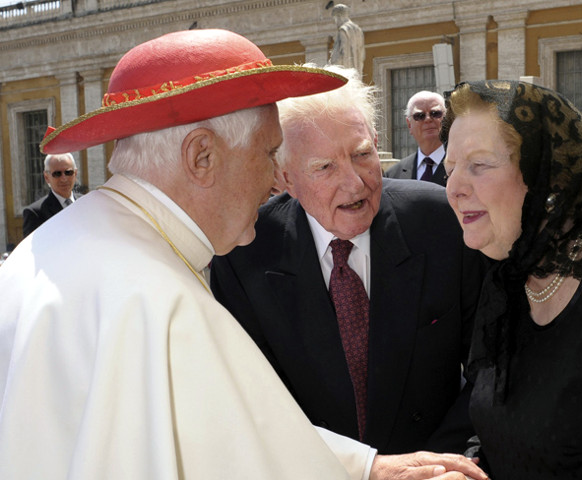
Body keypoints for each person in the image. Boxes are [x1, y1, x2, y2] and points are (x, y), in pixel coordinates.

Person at [0, 29, 486, 480]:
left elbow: (231, 427)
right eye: (267, 154)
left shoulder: (69, 244)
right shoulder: (153, 296)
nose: (275, 182)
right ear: (201, 157)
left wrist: (370, 468)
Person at [210, 65, 487, 459]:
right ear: (285, 177)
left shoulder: (441, 222)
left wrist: (443, 461)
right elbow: (250, 403)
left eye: (361, 155)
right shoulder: (244, 255)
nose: (355, 183)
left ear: (377, 143)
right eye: (324, 167)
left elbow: (490, 362)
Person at [442, 79, 582, 479]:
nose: (454, 188)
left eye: (478, 165)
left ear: (549, 177)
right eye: (450, 169)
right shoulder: (505, 284)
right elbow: (501, 425)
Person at [384, 91, 448, 186]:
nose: (428, 119)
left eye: (435, 113)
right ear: (409, 125)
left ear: (446, 119)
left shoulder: (464, 167)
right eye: (419, 116)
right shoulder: (393, 176)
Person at [22, 152, 77, 237]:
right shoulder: (35, 213)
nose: (64, 179)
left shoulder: (85, 203)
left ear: (75, 173)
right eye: (57, 174)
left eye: (68, 172)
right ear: (47, 177)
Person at [329, 4, 365, 76]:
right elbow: (362, 54)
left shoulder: (343, 30)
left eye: (335, 19)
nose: (336, 22)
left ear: (339, 16)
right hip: (357, 72)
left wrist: (332, 65)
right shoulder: (358, 30)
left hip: (345, 73)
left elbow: (341, 54)